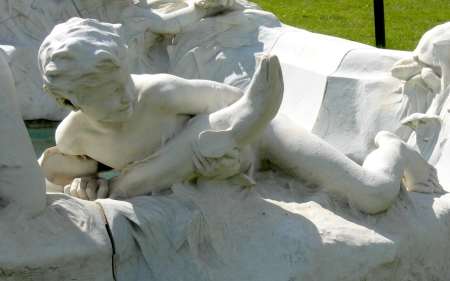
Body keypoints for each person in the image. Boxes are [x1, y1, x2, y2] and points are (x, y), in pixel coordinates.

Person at [39, 18, 442, 215]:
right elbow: (84, 176)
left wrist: (232, 153)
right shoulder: (73, 138)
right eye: (104, 97)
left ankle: (394, 149)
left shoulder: (157, 91)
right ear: (68, 100)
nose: (124, 97)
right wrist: (86, 184)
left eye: (122, 81)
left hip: (258, 135)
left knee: (372, 195)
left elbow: (237, 103)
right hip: (204, 170)